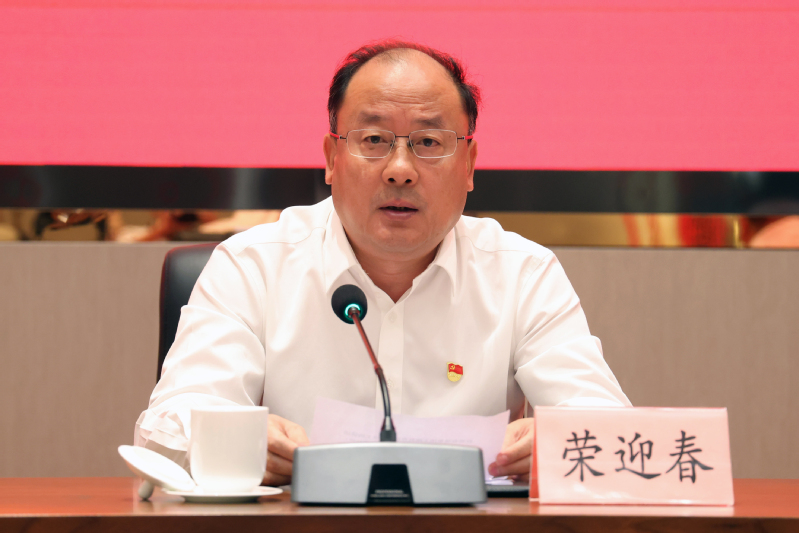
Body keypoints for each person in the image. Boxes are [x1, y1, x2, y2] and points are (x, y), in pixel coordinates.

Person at [135, 40, 630, 486]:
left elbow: (612, 435)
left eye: (429, 143)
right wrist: (237, 441)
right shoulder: (253, 267)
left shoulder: (523, 274)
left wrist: (561, 444)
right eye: (373, 140)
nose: (400, 170)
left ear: (468, 165)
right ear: (331, 158)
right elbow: (162, 435)